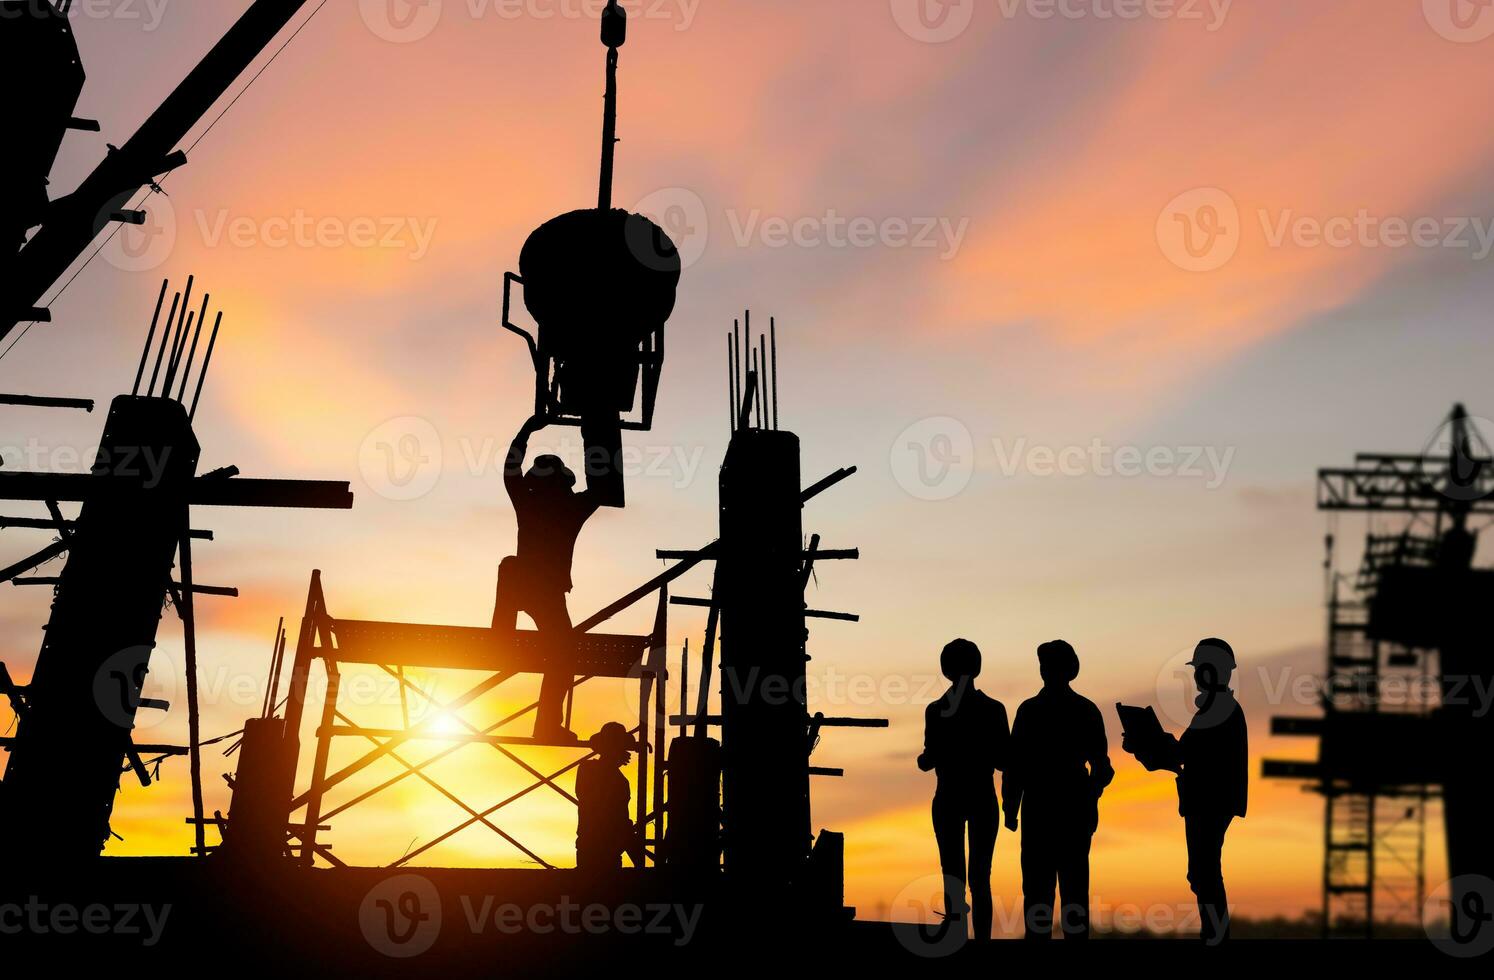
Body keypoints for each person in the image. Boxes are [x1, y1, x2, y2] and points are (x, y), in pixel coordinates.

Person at [1124, 638, 1248, 945]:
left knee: (1204, 874)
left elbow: (1183, 754)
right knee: (1203, 873)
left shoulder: (1218, 709)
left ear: (1208, 672)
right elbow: (1185, 754)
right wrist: (1147, 747)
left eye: (1199, 670)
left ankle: (1216, 938)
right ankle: (1215, 936)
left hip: (1208, 803)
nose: (1195, 677)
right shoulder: (1218, 708)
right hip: (1208, 801)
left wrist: (1146, 744)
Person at [492, 414, 605, 742]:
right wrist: (595, 438)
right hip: (543, 591)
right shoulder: (568, 507)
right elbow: (599, 488)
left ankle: (501, 635)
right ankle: (546, 723)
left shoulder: (531, 502)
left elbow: (510, 473)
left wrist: (527, 429)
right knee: (563, 657)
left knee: (510, 568)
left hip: (537, 590)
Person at [1003, 640, 1113, 939]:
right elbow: (1103, 769)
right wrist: (1090, 792)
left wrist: (1010, 808)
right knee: (1073, 890)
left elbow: (1015, 766)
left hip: (1041, 809)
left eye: (1046, 665)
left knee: (1039, 893)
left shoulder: (1030, 711)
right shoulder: (1086, 710)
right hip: (1072, 810)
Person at [917, 638, 1010, 941]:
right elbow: (1004, 760)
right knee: (981, 876)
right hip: (982, 797)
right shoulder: (994, 709)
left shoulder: (936, 710)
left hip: (948, 798)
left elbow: (928, 759)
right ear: (978, 667)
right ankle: (981, 939)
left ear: (945, 670)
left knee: (952, 873)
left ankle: (954, 937)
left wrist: (935, 754)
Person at [575, 722, 643, 872]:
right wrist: (640, 863)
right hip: (605, 850)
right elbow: (619, 821)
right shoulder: (617, 780)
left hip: (590, 848)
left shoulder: (586, 769)